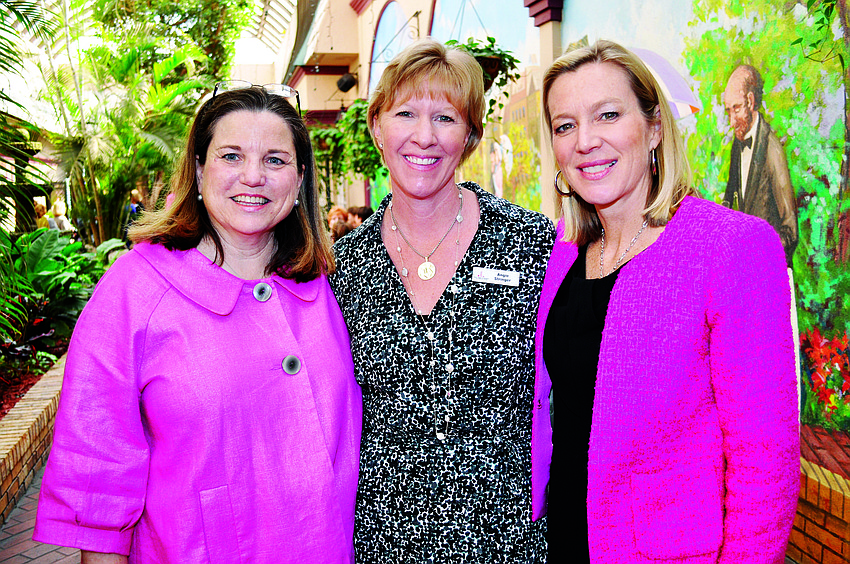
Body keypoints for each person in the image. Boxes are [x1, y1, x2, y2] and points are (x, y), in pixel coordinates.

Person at [33, 85, 361, 563]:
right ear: (201, 169)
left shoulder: (329, 285)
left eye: (275, 160)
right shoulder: (136, 289)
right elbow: (101, 471)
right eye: (231, 155)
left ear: (300, 179)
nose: (254, 176)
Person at [539, 40, 799, 562]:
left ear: (654, 126)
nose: (585, 140)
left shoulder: (730, 248)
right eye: (565, 125)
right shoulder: (562, 259)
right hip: (559, 544)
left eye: (607, 115)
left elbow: (764, 463)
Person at [330, 38, 553, 563]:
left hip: (508, 539)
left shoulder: (532, 245)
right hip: (382, 540)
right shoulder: (342, 267)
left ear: (471, 136)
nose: (424, 137)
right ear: (377, 126)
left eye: (447, 118)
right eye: (405, 113)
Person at [722, 64, 797, 266]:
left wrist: (757, 250)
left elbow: (790, 232)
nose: (731, 121)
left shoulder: (772, 151)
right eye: (728, 111)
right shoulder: (738, 145)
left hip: (770, 274)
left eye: (736, 109)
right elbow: (730, 200)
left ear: (751, 101)